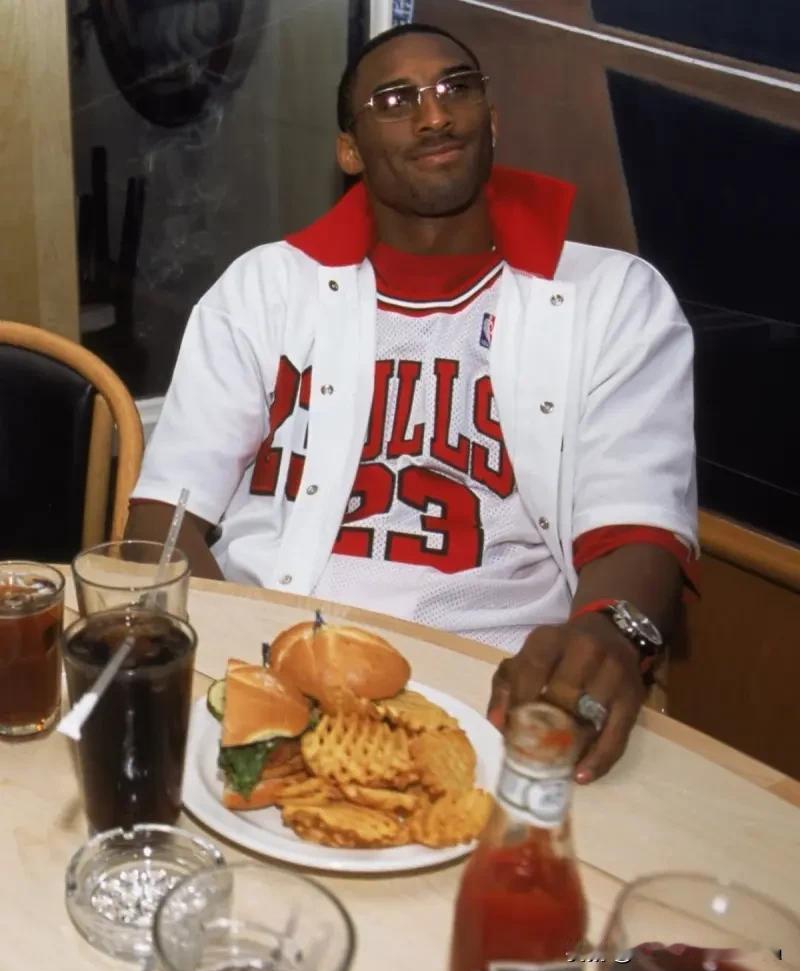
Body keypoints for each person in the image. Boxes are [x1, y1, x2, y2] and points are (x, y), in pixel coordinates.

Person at [127, 23, 697, 783]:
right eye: (395, 100)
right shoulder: (265, 289)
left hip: (494, 690)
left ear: (492, 120)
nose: (434, 115)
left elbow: (638, 530)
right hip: (269, 663)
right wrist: (247, 678)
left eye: (456, 87)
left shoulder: (615, 299)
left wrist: (608, 632)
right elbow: (163, 521)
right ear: (350, 150)